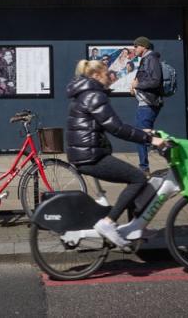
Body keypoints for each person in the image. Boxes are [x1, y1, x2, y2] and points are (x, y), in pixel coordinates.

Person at [66, 59, 166, 248]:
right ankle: (108, 223)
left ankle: (136, 228)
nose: (110, 76)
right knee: (138, 178)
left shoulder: (85, 94)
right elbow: (117, 128)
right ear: (96, 76)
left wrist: (144, 133)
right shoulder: (94, 96)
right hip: (91, 156)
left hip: (86, 153)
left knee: (133, 179)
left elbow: (109, 125)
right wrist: (150, 140)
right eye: (106, 73)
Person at [130, 36, 163, 175]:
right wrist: (135, 89)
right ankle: (163, 145)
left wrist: (138, 85)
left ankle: (144, 168)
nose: (134, 48)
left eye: (136, 46)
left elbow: (156, 81)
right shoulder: (146, 59)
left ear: (144, 47)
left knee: (141, 135)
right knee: (143, 134)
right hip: (145, 103)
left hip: (148, 104)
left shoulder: (151, 59)